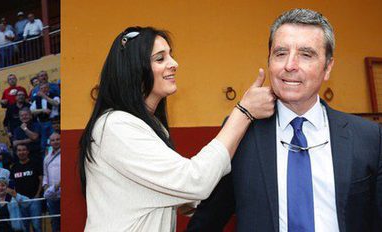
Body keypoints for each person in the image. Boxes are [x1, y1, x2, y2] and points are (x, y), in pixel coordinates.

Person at [188, 9, 382, 231]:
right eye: (281, 53)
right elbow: (207, 220)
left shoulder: (367, 138)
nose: (290, 65)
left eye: (306, 54)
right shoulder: (241, 132)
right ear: (269, 60)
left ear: (328, 67)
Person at [78, 27, 275, 231]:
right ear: (135, 69)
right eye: (160, 58)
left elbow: (183, 194)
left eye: (170, 55)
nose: (174, 64)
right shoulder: (115, 127)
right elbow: (193, 181)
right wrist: (243, 112)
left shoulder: (152, 128)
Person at [9, 144, 43, 231]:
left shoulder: (35, 164)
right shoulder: (14, 167)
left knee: (37, 226)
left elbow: (41, 180)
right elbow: (12, 186)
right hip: (21, 201)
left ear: (28, 151)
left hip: (34, 200)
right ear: (16, 153)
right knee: (24, 227)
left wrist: (38, 195)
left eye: (24, 150)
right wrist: (16, 198)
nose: (21, 152)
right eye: (19, 150)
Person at [43, 133, 61, 232]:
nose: (55, 142)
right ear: (50, 142)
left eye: (58, 139)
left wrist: (59, 185)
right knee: (55, 222)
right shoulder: (46, 158)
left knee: (65, 220)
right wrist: (45, 185)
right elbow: (45, 174)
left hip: (64, 193)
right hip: (52, 194)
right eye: (53, 140)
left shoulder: (66, 154)